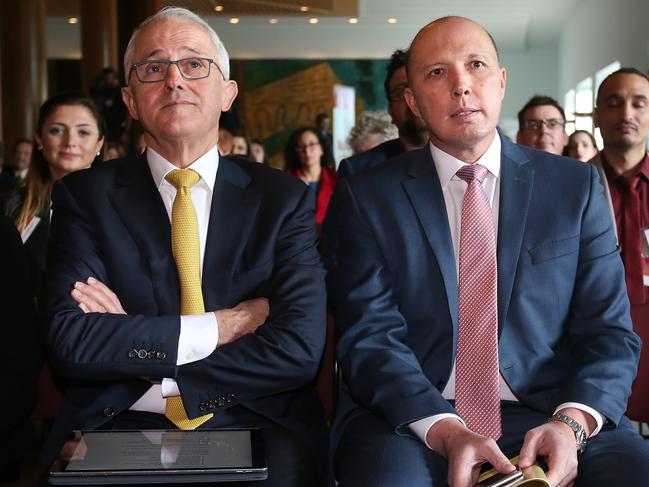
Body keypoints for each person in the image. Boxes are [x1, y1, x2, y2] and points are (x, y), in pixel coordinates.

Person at [323, 16, 649, 487]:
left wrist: (572, 423)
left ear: (500, 82)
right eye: (437, 72)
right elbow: (370, 336)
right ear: (412, 101)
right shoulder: (368, 196)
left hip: (549, 409)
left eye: (475, 65)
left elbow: (609, 331)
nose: (460, 85)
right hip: (414, 416)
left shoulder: (572, 187)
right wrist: (445, 429)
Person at [40, 7, 327, 487]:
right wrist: (224, 324)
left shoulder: (282, 199)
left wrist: (140, 344)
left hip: (258, 416)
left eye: (194, 64)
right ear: (131, 101)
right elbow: (72, 342)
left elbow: (298, 348)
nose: (174, 79)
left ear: (228, 93)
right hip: (119, 419)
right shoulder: (84, 197)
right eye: (153, 68)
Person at [590, 67, 649, 422]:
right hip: (598, 334)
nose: (626, 114)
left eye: (638, 103)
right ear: (597, 115)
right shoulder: (571, 188)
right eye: (614, 103)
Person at [337, 49, 428, 178]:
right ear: (390, 111)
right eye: (401, 92)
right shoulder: (358, 171)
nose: (411, 99)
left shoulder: (464, 158)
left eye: (419, 88)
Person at [284, 126, 337, 231]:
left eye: (312, 144)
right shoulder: (287, 181)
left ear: (322, 149)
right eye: (301, 146)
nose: (307, 151)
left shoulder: (336, 179)